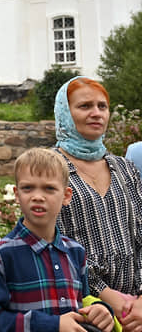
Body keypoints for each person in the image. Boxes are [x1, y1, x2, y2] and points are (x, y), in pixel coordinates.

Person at [0, 147, 114, 331]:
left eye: (49, 188)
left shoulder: (75, 252)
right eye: (28, 188)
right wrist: (51, 325)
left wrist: (101, 310)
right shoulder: (0, 255)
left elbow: (83, 302)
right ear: (17, 194)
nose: (37, 197)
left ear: (66, 196)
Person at [54, 76, 142, 331]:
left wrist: (138, 303)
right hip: (85, 310)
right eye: (84, 106)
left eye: (102, 106)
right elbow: (54, 244)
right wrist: (109, 298)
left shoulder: (125, 168)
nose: (96, 113)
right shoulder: (51, 170)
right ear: (64, 112)